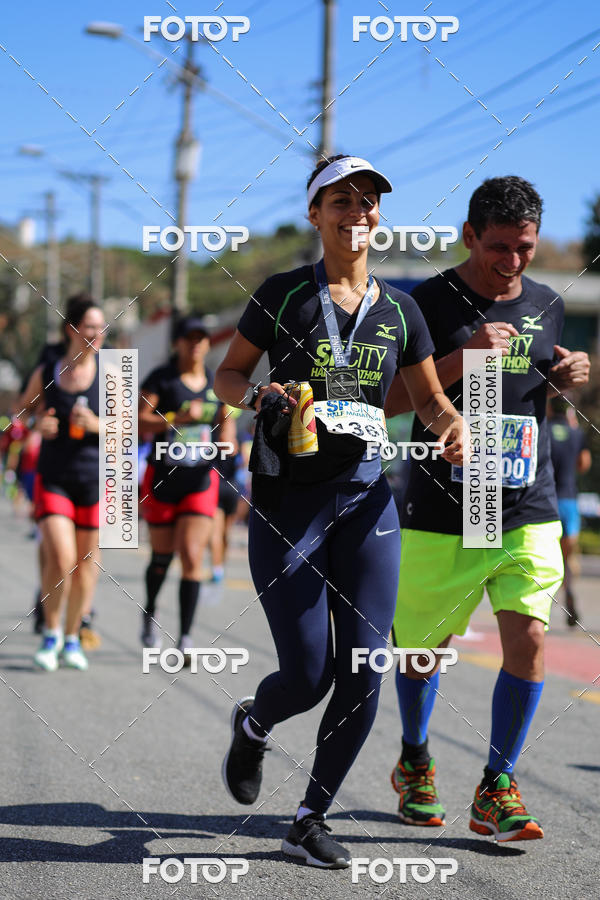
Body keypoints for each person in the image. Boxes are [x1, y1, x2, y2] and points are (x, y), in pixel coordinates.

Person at [215, 154, 467, 869]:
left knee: (364, 668)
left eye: (368, 201)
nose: (358, 213)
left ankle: (309, 818)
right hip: (287, 504)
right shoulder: (284, 293)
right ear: (315, 213)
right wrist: (258, 396)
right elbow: (226, 374)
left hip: (366, 503)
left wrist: (452, 425)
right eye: (342, 201)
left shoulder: (402, 311)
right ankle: (255, 724)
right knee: (307, 675)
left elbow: (429, 400)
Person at [384, 176, 590, 842]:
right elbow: (389, 400)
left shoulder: (547, 303)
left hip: (526, 501)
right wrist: (461, 358)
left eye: (525, 247)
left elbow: (526, 389)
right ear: (469, 235)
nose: (513, 260)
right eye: (499, 246)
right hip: (441, 506)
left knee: (530, 637)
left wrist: (560, 380)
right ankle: (415, 760)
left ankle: (497, 785)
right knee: (424, 651)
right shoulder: (423, 303)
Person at [138, 315, 236, 655]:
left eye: (201, 338)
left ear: (208, 344)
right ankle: (150, 610)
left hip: (200, 479)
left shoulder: (216, 383)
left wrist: (228, 441)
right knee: (161, 557)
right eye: (189, 338)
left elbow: (225, 422)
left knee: (193, 556)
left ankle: (185, 639)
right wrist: (176, 418)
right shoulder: (161, 378)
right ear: (177, 343)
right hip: (163, 480)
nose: (195, 344)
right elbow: (139, 420)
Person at [19, 295, 106, 671]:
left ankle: (72, 638)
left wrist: (97, 425)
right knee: (61, 557)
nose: (97, 334)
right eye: (90, 327)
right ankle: (51, 634)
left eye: (101, 327)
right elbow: (20, 412)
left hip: (94, 482)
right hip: (54, 479)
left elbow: (130, 428)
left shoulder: (112, 374)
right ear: (71, 330)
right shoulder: (48, 371)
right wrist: (37, 423)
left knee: (85, 565)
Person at [548, 395, 591, 626]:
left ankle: (543, 601)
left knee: (545, 555)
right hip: (569, 502)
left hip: (546, 501)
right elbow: (583, 465)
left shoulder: (543, 431)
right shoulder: (577, 434)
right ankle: (569, 590)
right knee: (567, 557)